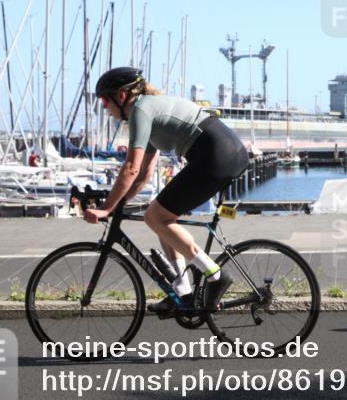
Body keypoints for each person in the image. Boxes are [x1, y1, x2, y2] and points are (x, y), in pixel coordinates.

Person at [83, 67, 250, 314]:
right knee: (160, 215)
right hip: (217, 152)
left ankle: (215, 275)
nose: (105, 108)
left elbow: (130, 167)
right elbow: (144, 174)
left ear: (121, 96)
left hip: (216, 153)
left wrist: (107, 207)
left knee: (155, 216)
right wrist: (120, 203)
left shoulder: (141, 110)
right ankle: (183, 288)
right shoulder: (147, 111)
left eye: (105, 101)